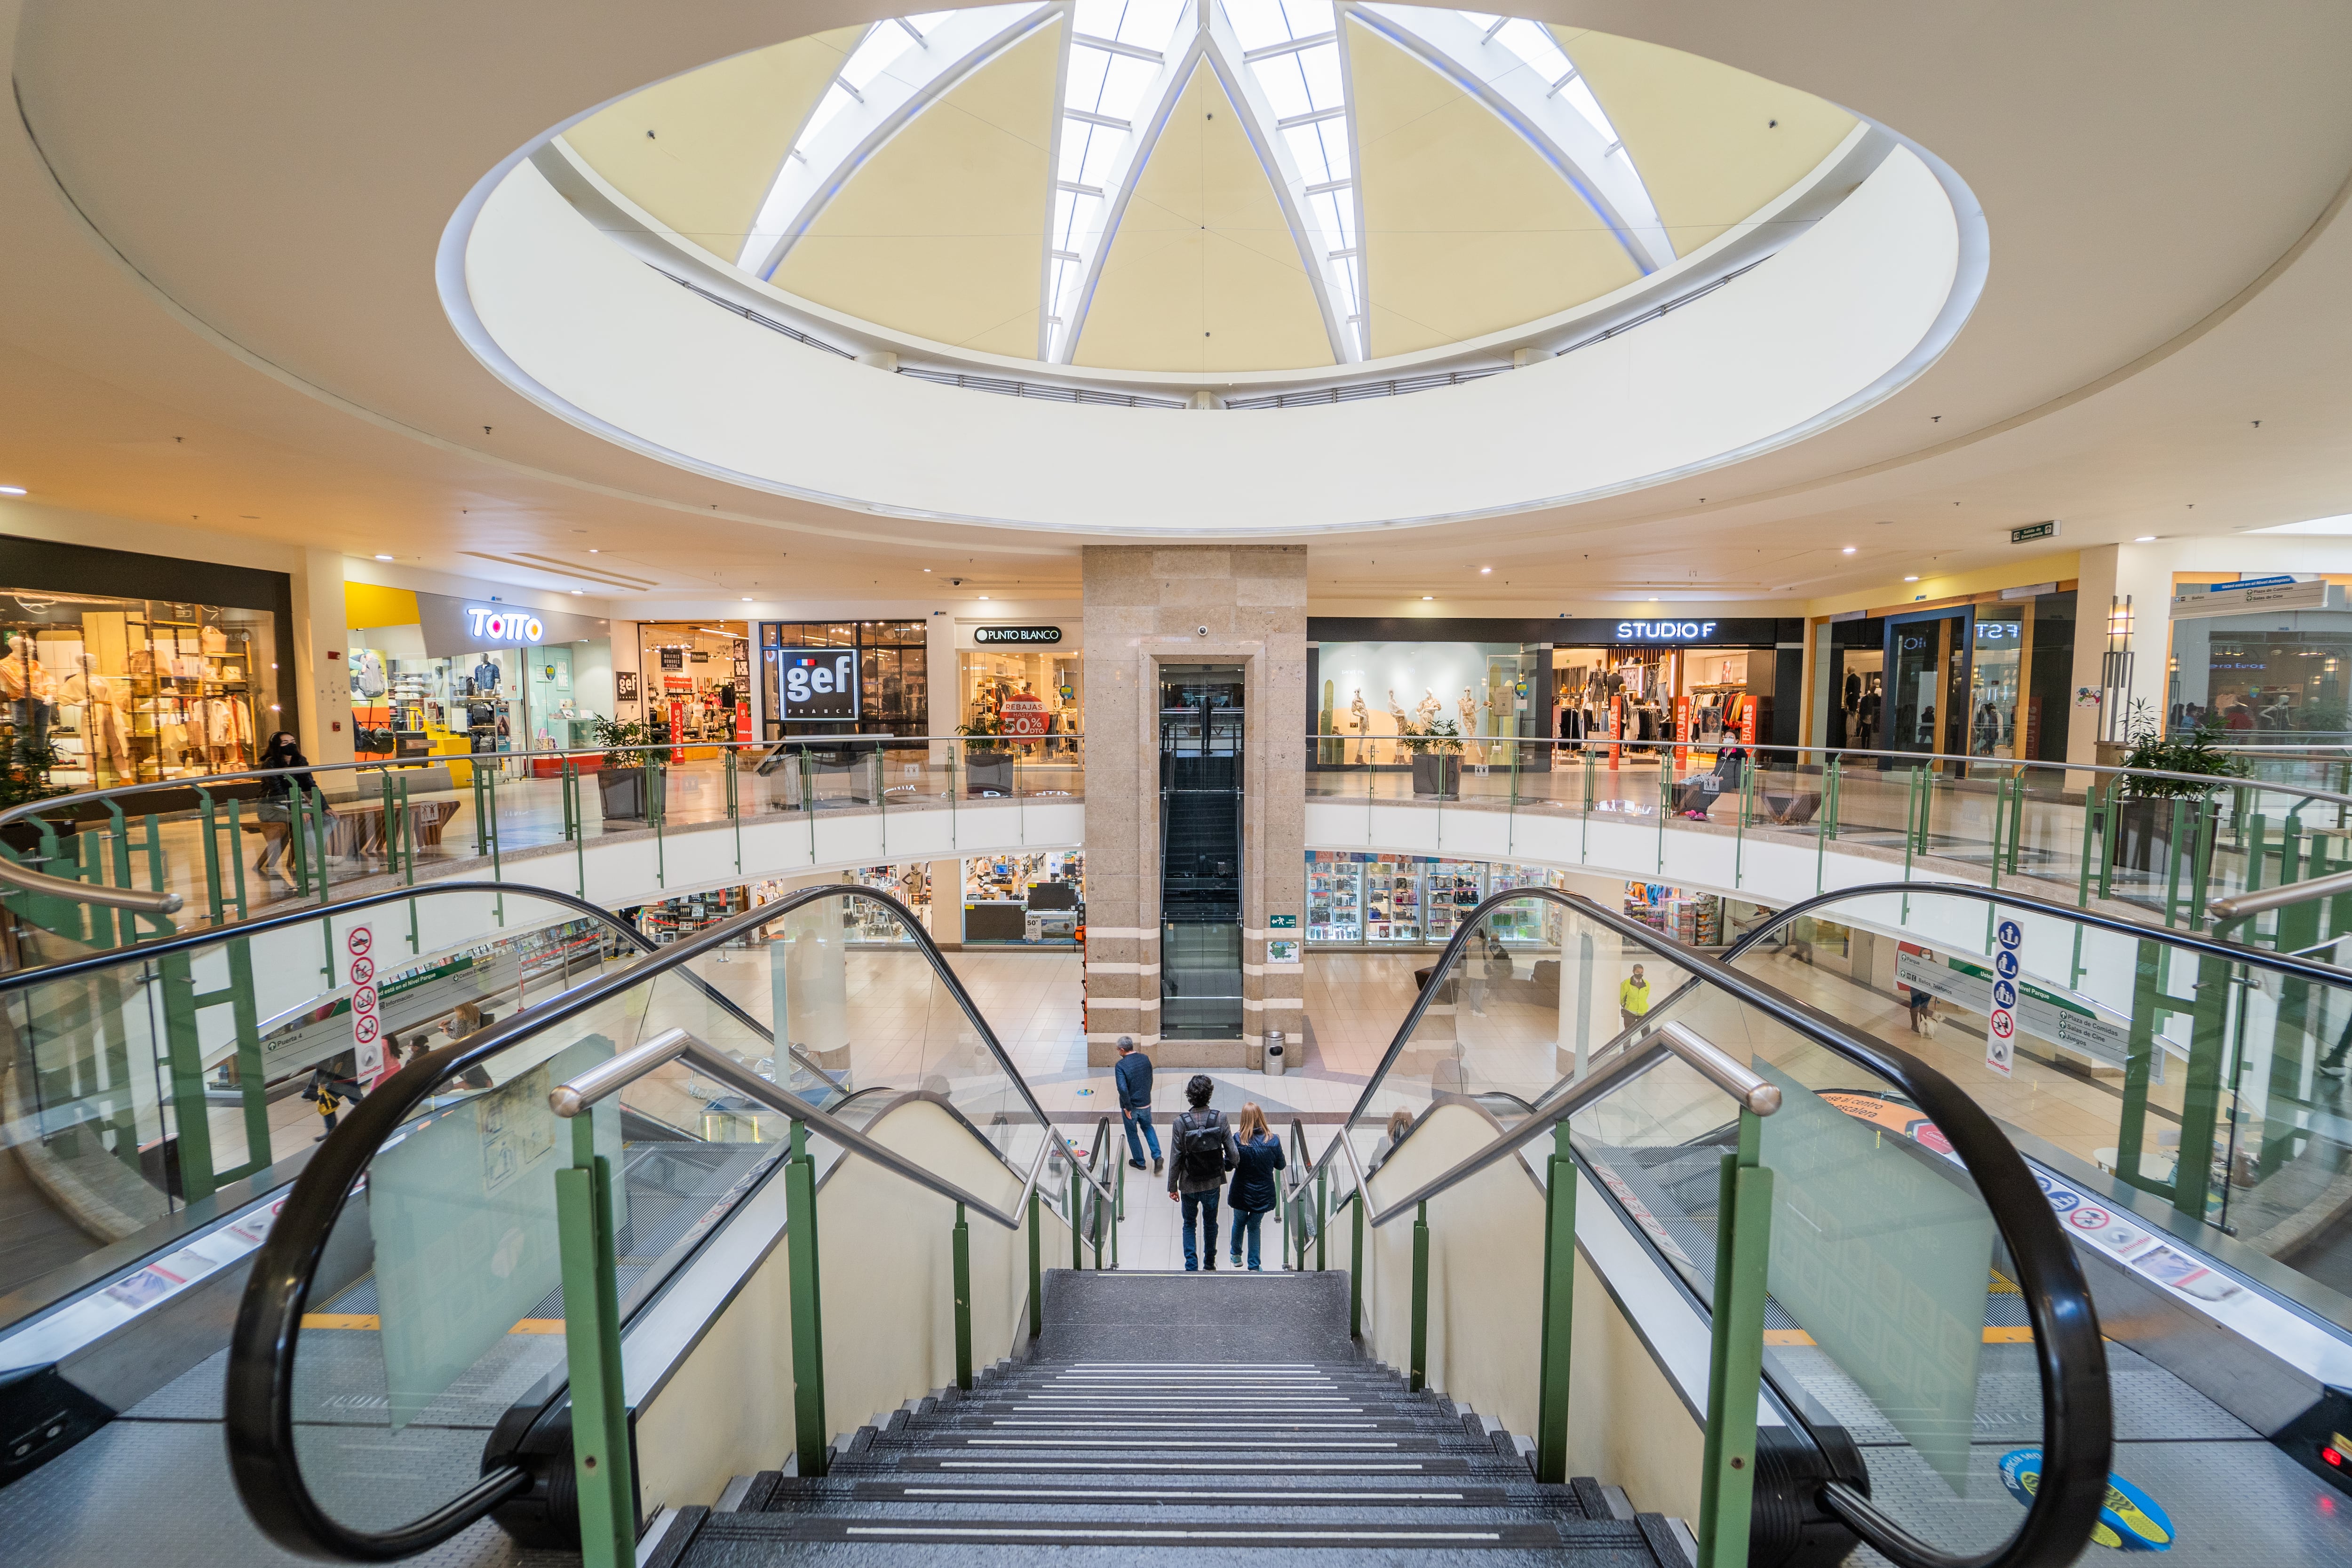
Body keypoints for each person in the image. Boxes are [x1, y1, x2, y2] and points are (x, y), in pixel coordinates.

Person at [1166, 1073, 1237, 1271]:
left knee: (1189, 1224)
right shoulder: (1220, 1118)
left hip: (1188, 1183)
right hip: (1213, 1182)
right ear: (1209, 1095)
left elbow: (1175, 1158)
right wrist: (1226, 1165)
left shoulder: (1180, 1123)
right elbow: (1234, 1155)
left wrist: (1172, 1187)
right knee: (1211, 1223)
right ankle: (1209, 1263)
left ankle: (1191, 1266)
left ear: (1189, 1096)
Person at [1226, 1102, 1287, 1271]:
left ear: (1243, 1119)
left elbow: (1228, 1165)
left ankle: (1236, 1255)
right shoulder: (1273, 1140)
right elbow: (1281, 1165)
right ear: (1261, 1117)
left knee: (1239, 1222)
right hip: (1263, 1194)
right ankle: (1254, 1266)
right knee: (1254, 1226)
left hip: (1241, 1192)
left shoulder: (1237, 1139)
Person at [254, 732, 315, 882]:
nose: (291, 745)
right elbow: (278, 793)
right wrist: (298, 810)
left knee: (325, 817)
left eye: (293, 742)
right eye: (285, 743)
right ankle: (315, 856)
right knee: (302, 818)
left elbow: (310, 784)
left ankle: (311, 855)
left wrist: (321, 804)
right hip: (270, 807)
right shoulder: (271, 763)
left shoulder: (300, 760)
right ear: (277, 746)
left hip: (294, 804)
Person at [1114, 1036, 1161, 1173]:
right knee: (1148, 1128)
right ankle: (1157, 1156)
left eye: (1118, 1050)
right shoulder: (1145, 1059)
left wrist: (1127, 1107)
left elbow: (1123, 1089)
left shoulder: (1121, 1066)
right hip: (1145, 1103)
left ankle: (1140, 1162)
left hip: (1131, 1107)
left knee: (1132, 1133)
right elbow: (1150, 1079)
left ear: (1122, 1050)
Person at [1619, 963, 1651, 1034]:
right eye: (1638, 972)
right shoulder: (1626, 983)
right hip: (1630, 1012)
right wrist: (1626, 1005)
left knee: (1646, 1032)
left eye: (1642, 972)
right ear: (1633, 972)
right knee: (1628, 1032)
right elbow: (1621, 997)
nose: (1640, 974)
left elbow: (1646, 996)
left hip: (1643, 1012)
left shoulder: (1647, 984)